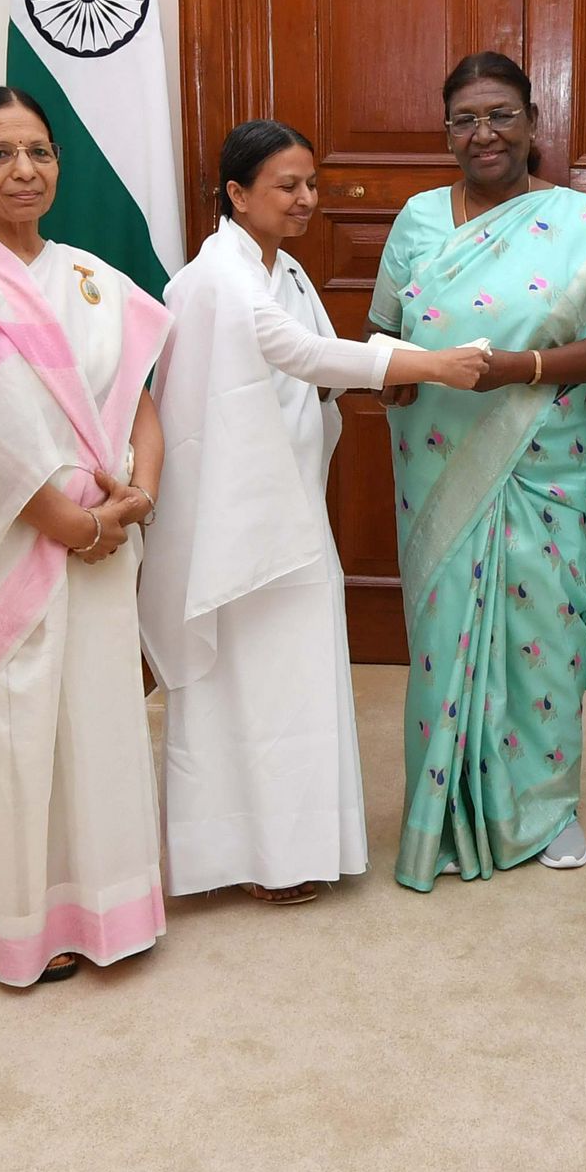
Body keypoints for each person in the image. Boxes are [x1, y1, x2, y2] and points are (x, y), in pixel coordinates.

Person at [142, 120, 488, 901]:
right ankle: (239, 857)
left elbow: (325, 363)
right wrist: (431, 364)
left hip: (291, 507)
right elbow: (299, 352)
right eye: (287, 186)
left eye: (310, 184)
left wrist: (393, 370)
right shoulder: (215, 277)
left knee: (298, 679)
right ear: (237, 195)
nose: (305, 199)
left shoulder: (287, 268)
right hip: (234, 518)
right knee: (242, 685)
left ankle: (299, 848)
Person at [367, 52, 586, 888]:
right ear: (447, 133)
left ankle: (549, 806)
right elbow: (387, 332)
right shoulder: (417, 219)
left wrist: (523, 369)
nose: (485, 133)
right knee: (443, 639)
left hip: (548, 457)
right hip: (438, 462)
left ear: (534, 123)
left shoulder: (581, 225)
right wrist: (394, 377)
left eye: (501, 114)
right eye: (466, 119)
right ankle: (443, 808)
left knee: (546, 630)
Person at [0, 87, 169, 981]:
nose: (24, 170)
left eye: (40, 152)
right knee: (15, 731)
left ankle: (108, 909)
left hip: (103, 539)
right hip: (13, 542)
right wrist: (69, 521)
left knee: (98, 719)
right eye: (0, 153)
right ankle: (17, 925)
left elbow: (141, 401)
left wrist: (137, 496)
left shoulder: (91, 277)